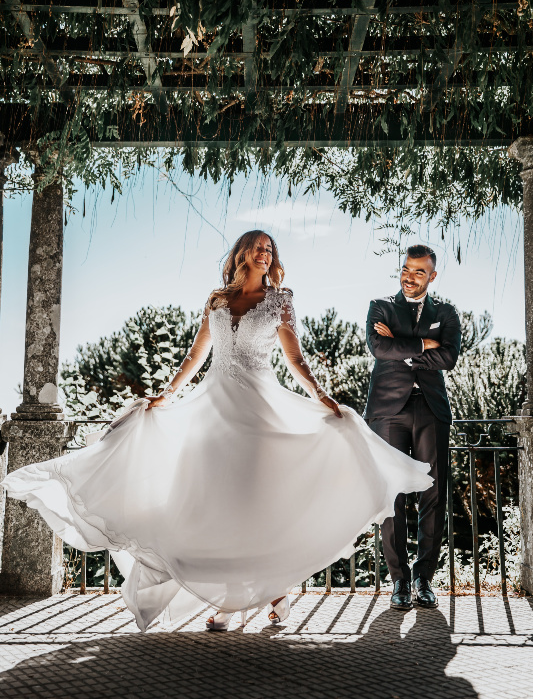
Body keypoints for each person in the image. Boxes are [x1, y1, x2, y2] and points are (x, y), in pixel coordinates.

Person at [2, 231, 433, 632]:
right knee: (213, 507)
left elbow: (294, 359)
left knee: (252, 509)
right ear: (242, 254)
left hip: (260, 415)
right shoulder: (217, 301)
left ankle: (258, 598)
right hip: (213, 413)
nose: (266, 254)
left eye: (271, 250)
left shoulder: (281, 300)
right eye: (259, 247)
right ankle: (246, 599)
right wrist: (166, 394)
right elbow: (196, 355)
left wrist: (323, 398)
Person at [365, 244, 461, 611]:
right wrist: (424, 344)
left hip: (432, 409)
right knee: (392, 495)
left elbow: (448, 357)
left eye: (419, 272)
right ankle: (400, 581)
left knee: (433, 495)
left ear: (431, 276)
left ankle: (424, 579)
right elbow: (378, 347)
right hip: (388, 410)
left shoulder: (446, 312)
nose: (410, 276)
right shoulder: (381, 306)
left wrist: (400, 346)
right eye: (406, 269)